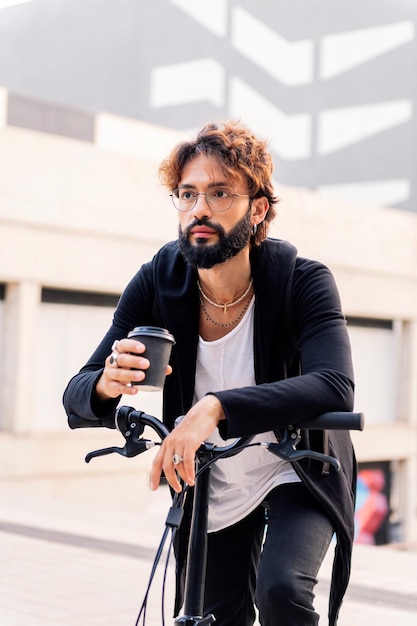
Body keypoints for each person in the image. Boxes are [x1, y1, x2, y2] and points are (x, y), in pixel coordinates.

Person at [63, 120, 356, 626]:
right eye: (188, 193)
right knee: (214, 616)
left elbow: (334, 385)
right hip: (213, 478)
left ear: (257, 208)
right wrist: (107, 383)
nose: (200, 208)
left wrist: (217, 407)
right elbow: (76, 395)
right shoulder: (160, 278)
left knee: (282, 591)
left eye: (220, 193)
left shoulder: (302, 280)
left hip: (297, 463)